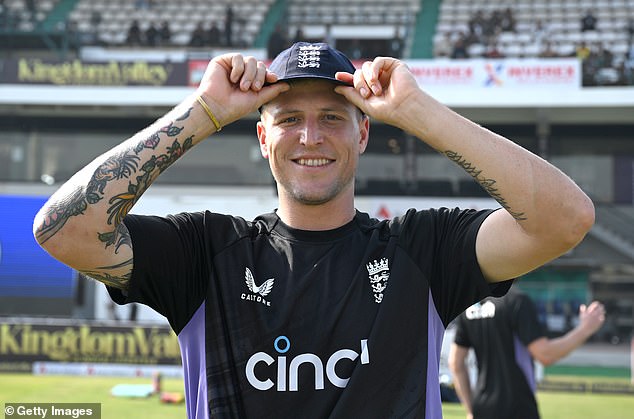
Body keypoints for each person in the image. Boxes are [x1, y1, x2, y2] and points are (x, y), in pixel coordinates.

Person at [32, 42, 594, 418]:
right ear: (261, 138)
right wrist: (203, 110)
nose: (310, 137)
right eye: (289, 119)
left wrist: (419, 112)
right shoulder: (205, 251)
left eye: (332, 118)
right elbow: (63, 230)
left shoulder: (423, 250)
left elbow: (564, 220)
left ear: (364, 135)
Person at [448, 288, 605, 419]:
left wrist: (470, 410)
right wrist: (585, 329)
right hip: (517, 406)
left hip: (482, 407)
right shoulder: (517, 301)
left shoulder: (470, 307)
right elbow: (545, 354)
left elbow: (455, 363)